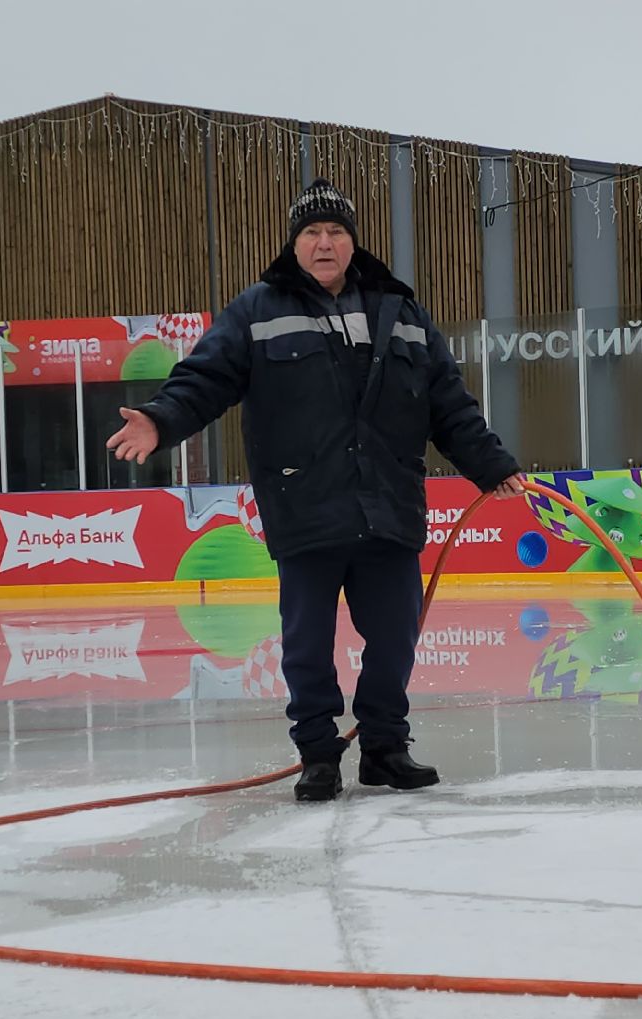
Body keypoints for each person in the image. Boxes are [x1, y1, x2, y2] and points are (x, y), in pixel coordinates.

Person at [107, 178, 524, 802]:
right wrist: (162, 418)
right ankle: (318, 754)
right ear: (295, 243)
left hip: (387, 502)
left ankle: (385, 746)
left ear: (352, 242)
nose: (324, 243)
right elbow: (206, 378)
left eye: (335, 232)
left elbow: (449, 403)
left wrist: (491, 465)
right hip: (304, 504)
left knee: (394, 636)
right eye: (311, 232)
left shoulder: (401, 313)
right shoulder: (258, 310)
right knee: (307, 642)